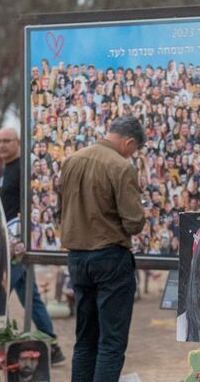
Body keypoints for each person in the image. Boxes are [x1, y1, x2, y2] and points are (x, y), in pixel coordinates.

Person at [59, 115, 146, 382]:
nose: (132, 155)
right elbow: (133, 222)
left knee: (85, 340)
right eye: (134, 150)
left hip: (77, 259)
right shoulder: (121, 166)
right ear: (129, 142)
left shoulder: (71, 161)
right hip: (110, 258)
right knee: (111, 343)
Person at [0, 126, 64, 363]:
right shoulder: (7, 169)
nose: (1, 145)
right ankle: (52, 346)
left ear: (18, 142)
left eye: (6, 141)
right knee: (30, 298)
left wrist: (21, 241)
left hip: (17, 246)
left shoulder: (22, 169)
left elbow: (29, 207)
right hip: (10, 243)